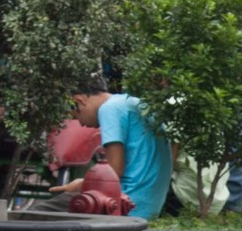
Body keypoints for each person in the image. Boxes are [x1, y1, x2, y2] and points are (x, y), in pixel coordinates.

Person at [49, 82, 172, 219]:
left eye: (76, 116)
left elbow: (113, 173)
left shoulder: (109, 109)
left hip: (124, 203)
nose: (81, 124)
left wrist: (81, 185)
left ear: (80, 100)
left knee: (37, 212)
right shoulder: (134, 102)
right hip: (148, 205)